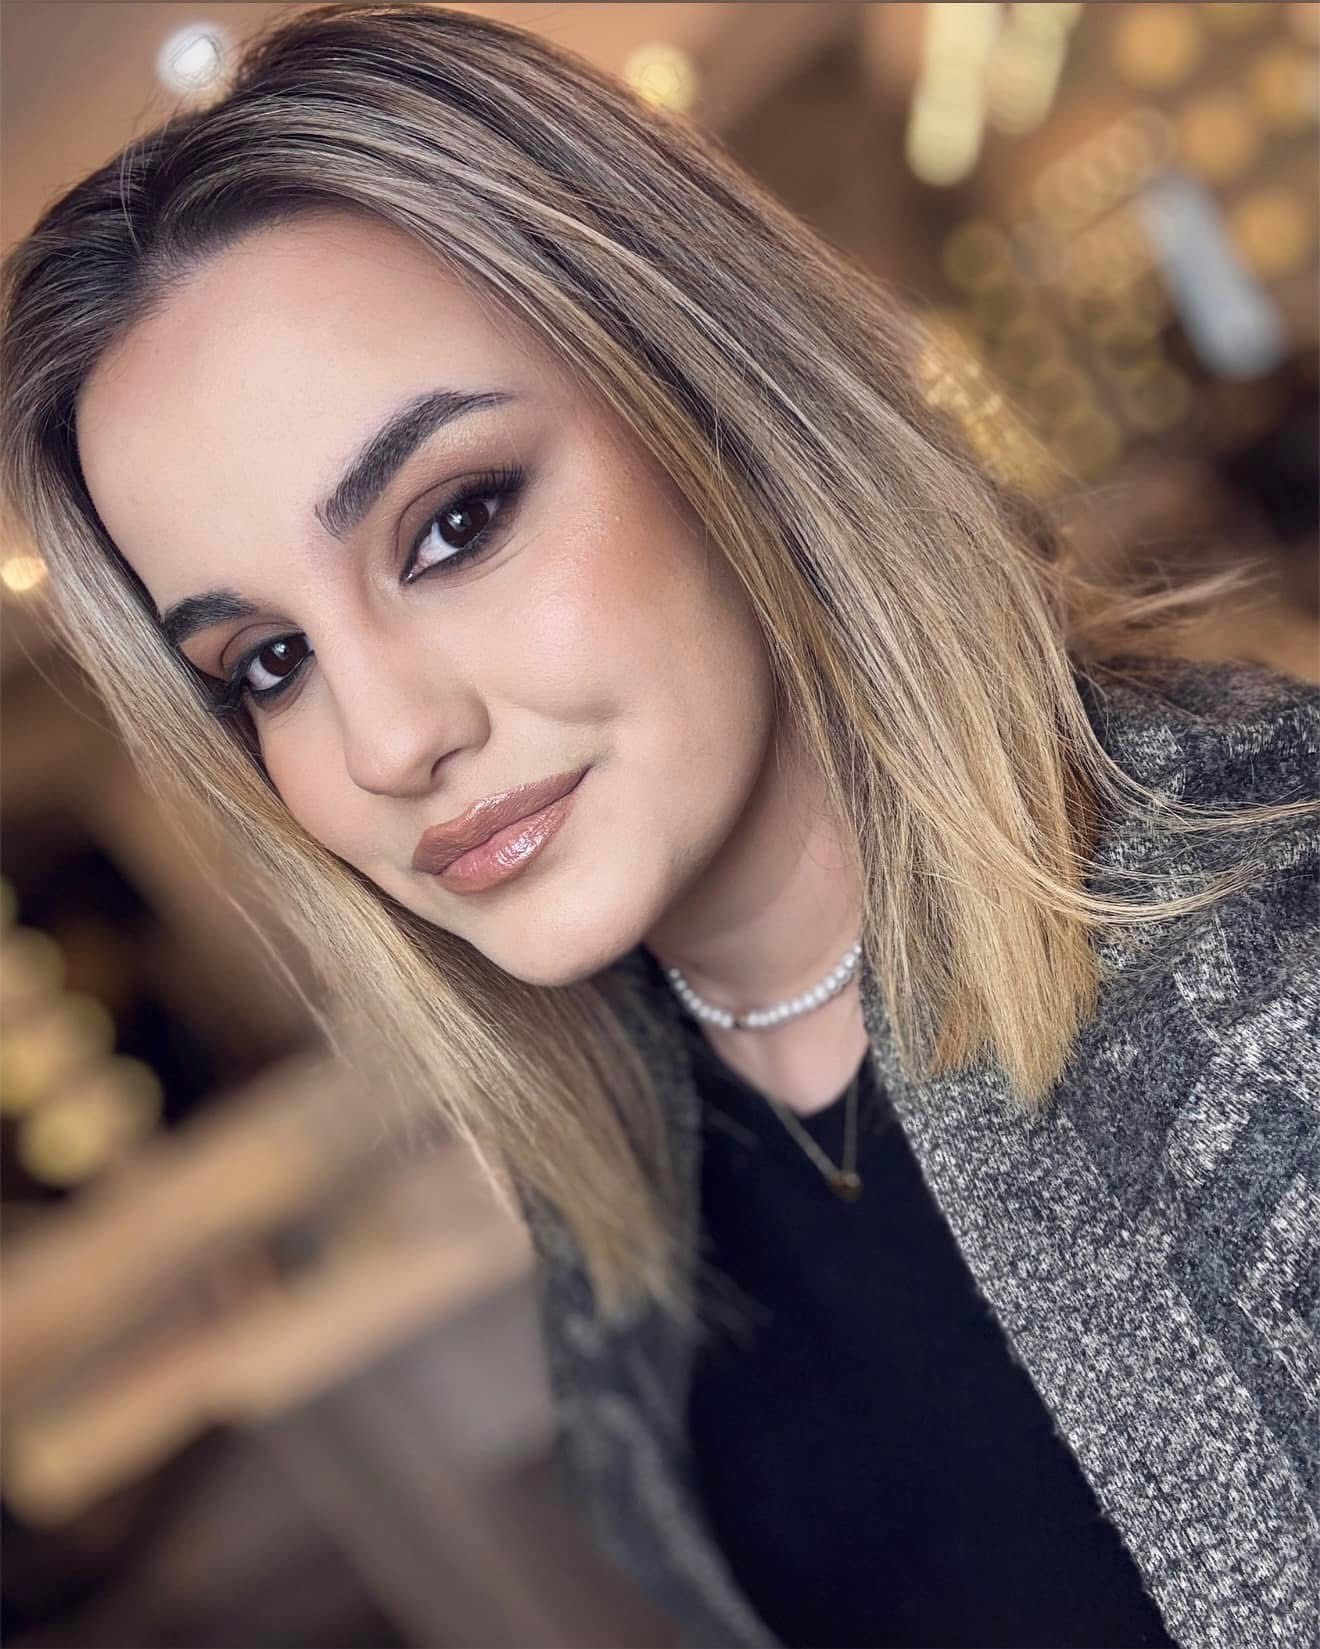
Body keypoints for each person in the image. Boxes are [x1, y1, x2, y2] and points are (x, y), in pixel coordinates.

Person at [2, 7, 1316, 1647]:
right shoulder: (618, 1153)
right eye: (269, 663)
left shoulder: (1272, 979)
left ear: (714, 399)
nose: (389, 739)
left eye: (455, 522)